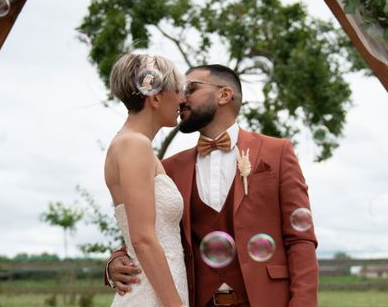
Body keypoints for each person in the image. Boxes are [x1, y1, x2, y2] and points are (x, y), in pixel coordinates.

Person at [107, 64, 319, 306]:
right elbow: (147, 229)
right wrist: (116, 260)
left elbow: (300, 238)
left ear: (224, 95)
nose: (181, 97)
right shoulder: (169, 167)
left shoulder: (277, 152)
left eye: (191, 88)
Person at [104, 53, 189, 307]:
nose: (182, 99)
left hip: (161, 289)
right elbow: (142, 239)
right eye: (178, 90)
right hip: (154, 296)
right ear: (156, 96)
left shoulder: (136, 146)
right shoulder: (134, 144)